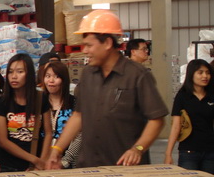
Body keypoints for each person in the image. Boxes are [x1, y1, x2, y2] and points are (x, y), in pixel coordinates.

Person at [47, 10, 168, 168]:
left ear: (108, 43)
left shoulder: (137, 75)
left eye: (89, 45)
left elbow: (157, 119)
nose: (85, 50)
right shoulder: (88, 74)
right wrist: (57, 149)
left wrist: (137, 149)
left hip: (125, 168)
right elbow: (78, 116)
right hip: (90, 167)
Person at [0, 53, 53, 171]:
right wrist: (35, 160)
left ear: (29, 74)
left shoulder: (40, 98)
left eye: (20, 72)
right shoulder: (2, 102)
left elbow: (48, 133)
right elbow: (2, 141)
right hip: (9, 166)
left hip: (36, 165)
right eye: (10, 72)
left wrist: (41, 162)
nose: (14, 76)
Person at [164, 59, 214, 172]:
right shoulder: (182, 96)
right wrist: (168, 154)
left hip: (210, 152)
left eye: (207, 73)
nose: (205, 76)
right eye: (200, 73)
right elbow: (176, 126)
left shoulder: (211, 96)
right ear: (191, 74)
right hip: (188, 152)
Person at [42, 61, 81, 169]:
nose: (51, 80)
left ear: (64, 79)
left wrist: (65, 161)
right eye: (48, 76)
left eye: (56, 76)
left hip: (68, 162)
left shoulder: (74, 103)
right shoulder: (38, 103)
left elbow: (79, 135)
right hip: (42, 161)